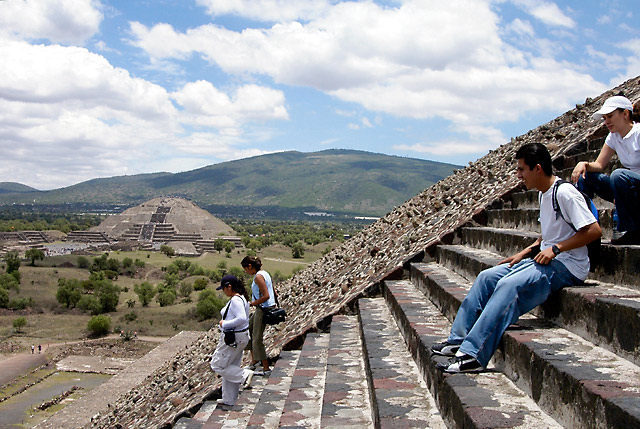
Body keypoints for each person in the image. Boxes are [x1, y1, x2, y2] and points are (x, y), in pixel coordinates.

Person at [432, 143, 602, 373]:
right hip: (547, 259)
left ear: (538, 169)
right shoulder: (545, 194)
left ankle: (473, 355)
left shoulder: (565, 193)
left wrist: (557, 249)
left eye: (522, 169)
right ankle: (457, 341)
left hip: (568, 266)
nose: (518, 175)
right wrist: (526, 251)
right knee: (486, 277)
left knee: (508, 285)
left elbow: (593, 230)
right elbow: (551, 233)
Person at [571, 95, 640, 245]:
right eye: (604, 118)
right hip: (626, 186)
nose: (606, 121)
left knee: (618, 175)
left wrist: (621, 192)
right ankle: (586, 228)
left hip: (634, 185)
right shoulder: (613, 137)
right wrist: (584, 164)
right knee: (586, 176)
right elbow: (599, 165)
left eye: (610, 116)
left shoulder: (638, 133)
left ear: (625, 114)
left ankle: (632, 229)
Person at [210, 274, 253, 410]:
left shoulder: (235, 300)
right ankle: (229, 399)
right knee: (231, 364)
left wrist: (225, 324)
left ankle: (244, 375)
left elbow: (241, 318)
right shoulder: (242, 298)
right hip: (241, 337)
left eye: (224, 288)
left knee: (218, 365)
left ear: (229, 286)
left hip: (232, 338)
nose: (223, 291)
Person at [241, 255, 276, 376]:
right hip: (263, 307)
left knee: (257, 338)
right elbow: (273, 291)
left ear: (250, 266)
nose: (246, 272)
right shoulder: (265, 273)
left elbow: (266, 295)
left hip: (263, 308)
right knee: (249, 330)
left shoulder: (258, 277)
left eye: (246, 269)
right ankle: (255, 360)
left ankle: (266, 368)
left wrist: (252, 303)